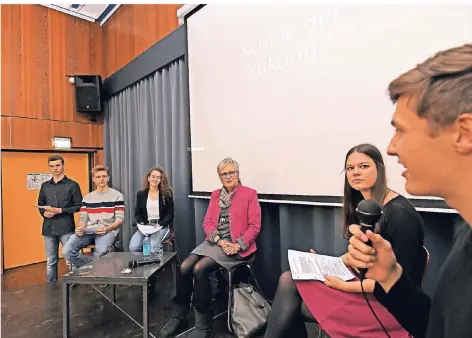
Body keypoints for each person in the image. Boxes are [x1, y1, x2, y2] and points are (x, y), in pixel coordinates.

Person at [345, 44, 472, 338]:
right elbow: (438, 329)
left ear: (464, 133)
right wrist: (391, 277)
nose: (390, 148)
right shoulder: (465, 230)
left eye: (401, 130)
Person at [263, 143, 425, 338]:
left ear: (380, 169)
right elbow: (357, 257)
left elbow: (394, 285)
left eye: (364, 166)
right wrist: (322, 264)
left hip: (386, 305)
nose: (356, 172)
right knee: (290, 280)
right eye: (350, 168)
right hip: (362, 284)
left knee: (292, 300)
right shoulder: (365, 207)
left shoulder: (400, 216)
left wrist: (342, 285)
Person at [160, 157, 262, 338]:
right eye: (224, 174)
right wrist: (219, 240)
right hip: (215, 242)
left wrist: (238, 245)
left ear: (238, 174)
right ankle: (180, 314)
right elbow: (207, 222)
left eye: (232, 172)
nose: (228, 176)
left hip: (236, 246)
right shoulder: (215, 195)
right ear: (219, 176)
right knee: (184, 266)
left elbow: (254, 226)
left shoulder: (249, 194)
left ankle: (203, 324)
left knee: (200, 269)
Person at [63, 165, 124, 267]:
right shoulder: (87, 198)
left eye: (104, 176)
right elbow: (83, 218)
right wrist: (81, 227)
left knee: (100, 253)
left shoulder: (117, 195)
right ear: (93, 179)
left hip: (107, 231)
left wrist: (107, 228)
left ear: (108, 178)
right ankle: (91, 267)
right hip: (88, 230)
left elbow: (119, 219)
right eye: (98, 177)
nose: (101, 179)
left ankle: (90, 271)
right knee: (67, 251)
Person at [37, 155, 83, 282]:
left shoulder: (73, 185)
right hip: (48, 228)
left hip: (66, 228)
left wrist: (61, 210)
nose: (55, 168)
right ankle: (51, 287)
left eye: (57, 165)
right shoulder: (45, 186)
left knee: (70, 259)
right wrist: (44, 213)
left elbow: (79, 206)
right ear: (49, 168)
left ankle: (75, 284)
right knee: (51, 261)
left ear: (63, 165)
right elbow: (40, 204)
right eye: (52, 166)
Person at [129, 167, 174, 253]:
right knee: (133, 247)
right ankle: (140, 265)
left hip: (161, 226)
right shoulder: (141, 194)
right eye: (153, 176)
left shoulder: (167, 193)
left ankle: (153, 266)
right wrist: (142, 224)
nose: (155, 179)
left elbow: (170, 214)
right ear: (148, 178)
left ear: (161, 180)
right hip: (146, 226)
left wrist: (160, 224)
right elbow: (137, 213)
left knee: (152, 248)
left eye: (158, 177)